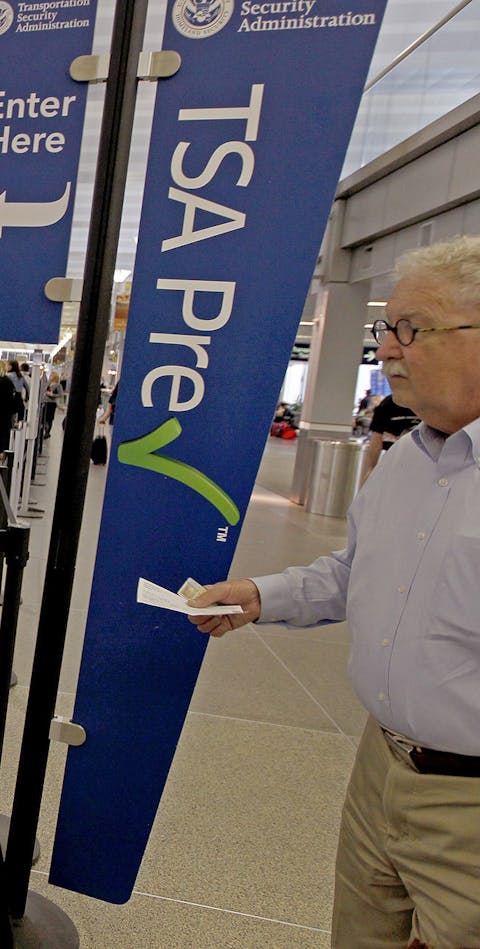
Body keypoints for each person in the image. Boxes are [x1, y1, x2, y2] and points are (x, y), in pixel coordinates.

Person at [187, 236, 480, 949]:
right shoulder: (408, 459)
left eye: (413, 328)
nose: (388, 350)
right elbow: (356, 572)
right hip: (379, 767)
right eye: (387, 328)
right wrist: (260, 595)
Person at [359, 393, 419, 484]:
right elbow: (376, 438)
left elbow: (376, 439)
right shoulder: (387, 404)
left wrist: (372, 467)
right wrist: (372, 467)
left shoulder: (428, 403)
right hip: (396, 462)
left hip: (415, 462)